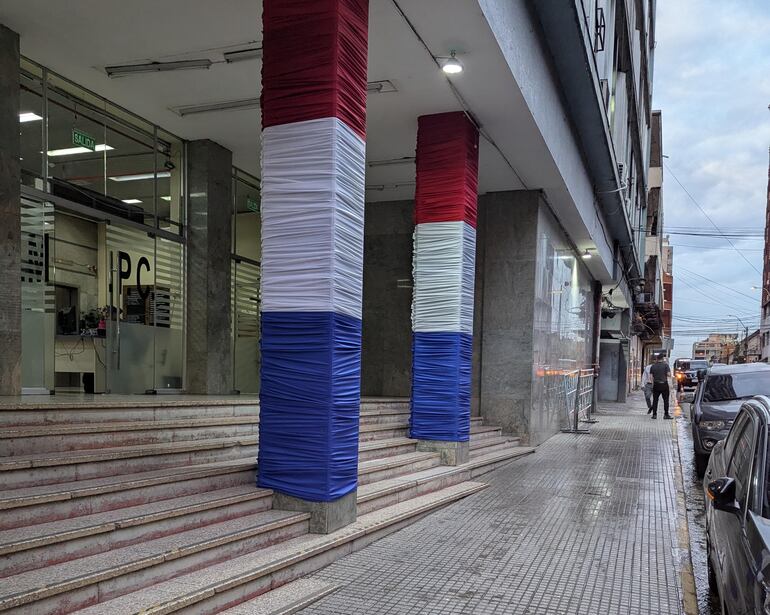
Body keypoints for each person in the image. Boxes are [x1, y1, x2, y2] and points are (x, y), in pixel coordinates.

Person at [649, 354, 672, 420]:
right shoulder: (666, 365)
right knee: (666, 400)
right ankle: (666, 415)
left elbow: (651, 377)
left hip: (656, 384)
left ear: (657, 359)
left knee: (655, 400)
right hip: (664, 385)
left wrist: (653, 384)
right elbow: (668, 374)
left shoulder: (653, 366)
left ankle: (654, 415)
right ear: (662, 358)